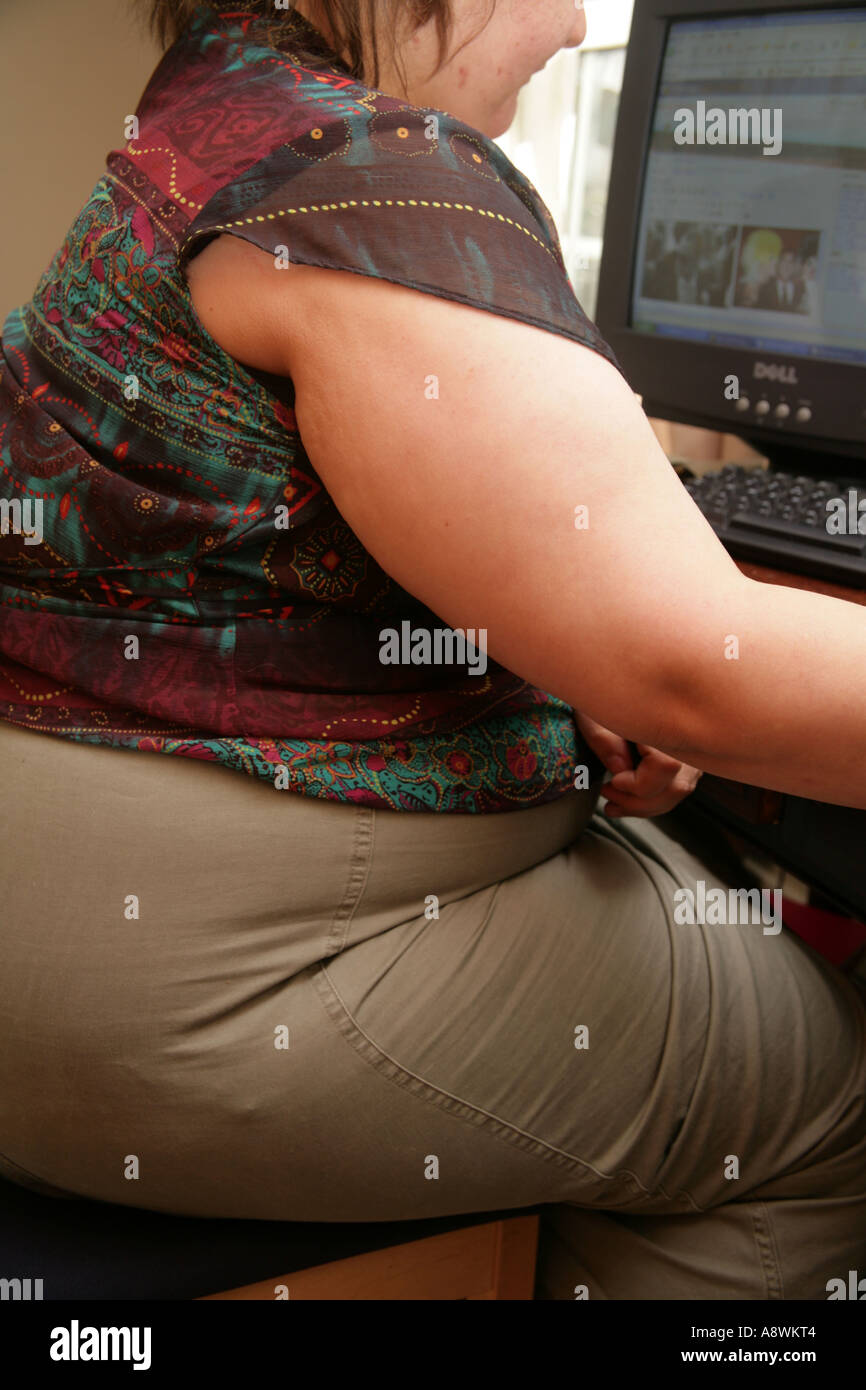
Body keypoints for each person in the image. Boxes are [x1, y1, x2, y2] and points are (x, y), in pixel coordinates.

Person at [0, 0, 864, 1301]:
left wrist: (532, 667)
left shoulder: (214, 123)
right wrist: (630, 653)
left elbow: (271, 541)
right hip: (209, 995)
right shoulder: (365, 177)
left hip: (79, 935)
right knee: (821, 1086)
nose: (575, 24)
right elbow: (697, 667)